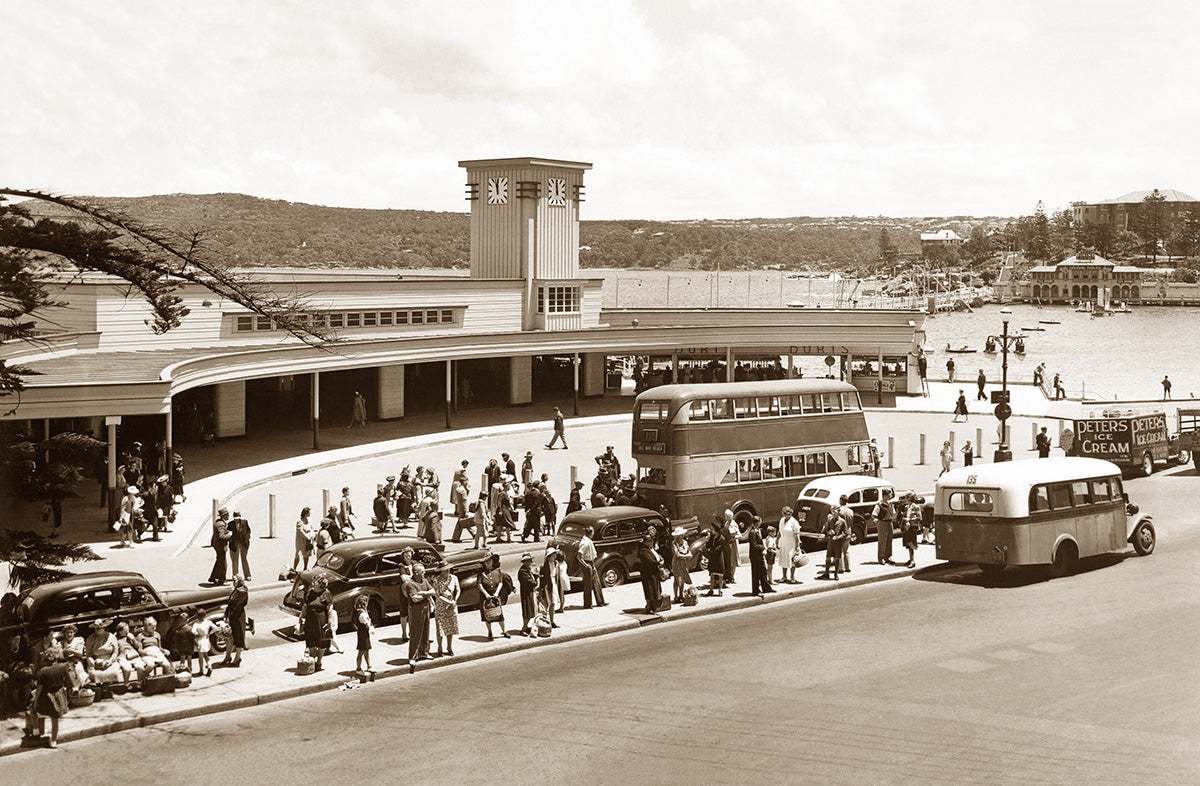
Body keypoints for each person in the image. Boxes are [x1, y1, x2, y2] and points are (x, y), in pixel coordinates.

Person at [29, 644, 76, 748]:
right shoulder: (64, 667)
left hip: (46, 698)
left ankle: (36, 731)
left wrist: (35, 701)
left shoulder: (43, 670)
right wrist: (68, 697)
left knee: (32, 709)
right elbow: (68, 683)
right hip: (59, 696)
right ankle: (53, 741)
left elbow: (40, 688)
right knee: (55, 719)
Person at [403, 564, 435, 672]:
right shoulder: (410, 584)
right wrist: (427, 595)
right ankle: (412, 656)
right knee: (415, 633)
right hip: (416, 610)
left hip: (426, 609)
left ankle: (424, 653)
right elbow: (415, 599)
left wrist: (424, 593)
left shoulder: (424, 581)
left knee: (426, 631)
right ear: (416, 573)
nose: (424, 573)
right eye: (422, 572)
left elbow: (433, 591)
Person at [301, 574, 333, 672]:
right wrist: (301, 619)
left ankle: (319, 662)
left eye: (315, 581)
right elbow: (305, 606)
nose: (312, 582)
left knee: (322, 643)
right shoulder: (309, 593)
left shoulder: (326, 593)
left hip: (321, 620)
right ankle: (312, 662)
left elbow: (330, 609)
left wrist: (329, 622)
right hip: (310, 620)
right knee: (311, 642)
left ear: (320, 584)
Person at [478, 554, 511, 640]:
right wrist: (486, 595)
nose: (487, 562)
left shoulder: (498, 571)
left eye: (489, 560)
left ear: (492, 561)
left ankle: (504, 631)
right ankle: (490, 631)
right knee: (487, 616)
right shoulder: (481, 572)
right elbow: (479, 585)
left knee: (499, 615)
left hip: (495, 596)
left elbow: (500, 583)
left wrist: (497, 593)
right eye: (486, 561)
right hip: (485, 597)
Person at [430, 563, 460, 657]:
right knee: (440, 628)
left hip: (452, 605)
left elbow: (458, 590)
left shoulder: (454, 578)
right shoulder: (437, 580)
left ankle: (449, 647)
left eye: (448, 569)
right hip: (441, 605)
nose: (447, 571)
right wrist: (448, 602)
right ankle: (440, 648)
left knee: (450, 627)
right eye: (445, 569)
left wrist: (454, 600)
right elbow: (437, 595)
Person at [219, 576, 248, 668]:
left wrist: (231, 617)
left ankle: (237, 659)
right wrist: (226, 615)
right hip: (232, 617)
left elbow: (238, 606)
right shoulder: (236, 590)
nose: (233, 582)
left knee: (238, 638)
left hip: (238, 618)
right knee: (230, 638)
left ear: (240, 581)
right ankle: (227, 657)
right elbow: (230, 604)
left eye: (235, 580)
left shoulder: (243, 592)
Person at [577, 526, 606, 608]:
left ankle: (600, 601)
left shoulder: (588, 541)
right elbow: (579, 556)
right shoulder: (585, 543)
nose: (593, 534)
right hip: (587, 563)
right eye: (592, 532)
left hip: (591, 563)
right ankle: (587, 603)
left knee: (596, 582)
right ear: (590, 532)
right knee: (588, 585)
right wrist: (586, 565)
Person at [636, 534, 665, 612]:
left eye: (652, 540)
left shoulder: (651, 549)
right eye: (649, 541)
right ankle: (649, 607)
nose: (651, 542)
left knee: (655, 589)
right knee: (649, 590)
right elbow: (650, 561)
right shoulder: (643, 551)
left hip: (654, 572)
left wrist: (661, 559)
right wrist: (659, 563)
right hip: (648, 574)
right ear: (645, 542)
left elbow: (656, 556)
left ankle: (654, 606)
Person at [747, 517, 773, 596]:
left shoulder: (758, 531)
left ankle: (766, 588)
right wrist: (763, 547)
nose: (760, 523)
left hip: (760, 555)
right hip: (755, 556)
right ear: (756, 523)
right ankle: (756, 590)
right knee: (756, 574)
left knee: (763, 571)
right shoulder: (752, 532)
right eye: (759, 522)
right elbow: (754, 545)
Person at [539, 548, 563, 628]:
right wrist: (541, 590)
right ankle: (544, 621)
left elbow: (557, 575)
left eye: (555, 555)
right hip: (547, 586)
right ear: (549, 557)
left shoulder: (556, 564)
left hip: (554, 585)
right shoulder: (544, 566)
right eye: (553, 555)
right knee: (546, 604)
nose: (555, 556)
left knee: (553, 604)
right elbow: (542, 579)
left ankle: (552, 622)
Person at [207, 508, 231, 586]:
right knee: (223, 563)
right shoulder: (221, 524)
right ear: (224, 515)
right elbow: (221, 536)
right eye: (227, 514)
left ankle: (213, 577)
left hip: (217, 545)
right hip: (220, 546)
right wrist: (230, 536)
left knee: (219, 561)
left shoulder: (219, 522)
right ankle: (222, 580)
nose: (229, 515)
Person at [395, 548, 415, 642]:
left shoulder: (415, 563)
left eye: (409, 556)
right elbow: (404, 578)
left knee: (413, 612)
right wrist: (413, 576)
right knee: (404, 613)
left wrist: (410, 577)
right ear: (403, 556)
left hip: (413, 590)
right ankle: (404, 633)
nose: (408, 557)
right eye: (406, 556)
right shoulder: (401, 565)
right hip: (404, 592)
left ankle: (412, 631)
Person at [778, 507, 802, 584]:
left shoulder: (794, 522)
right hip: (783, 542)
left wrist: (797, 546)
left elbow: (797, 535)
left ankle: (792, 577)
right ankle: (784, 576)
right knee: (783, 559)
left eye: (785, 513)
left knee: (792, 561)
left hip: (791, 544)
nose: (784, 515)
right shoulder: (782, 520)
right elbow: (780, 531)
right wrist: (777, 540)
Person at [704, 519, 727, 596]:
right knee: (712, 574)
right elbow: (708, 546)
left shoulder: (722, 538)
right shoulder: (712, 537)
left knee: (720, 574)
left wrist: (710, 552)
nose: (711, 529)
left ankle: (720, 590)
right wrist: (707, 540)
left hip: (718, 558)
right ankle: (711, 590)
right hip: (713, 557)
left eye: (712, 528)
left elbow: (718, 549)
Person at [517, 553, 539, 636]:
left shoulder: (527, 569)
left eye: (529, 560)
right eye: (527, 561)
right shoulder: (523, 571)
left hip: (530, 592)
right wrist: (536, 581)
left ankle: (525, 627)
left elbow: (532, 577)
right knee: (527, 611)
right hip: (526, 594)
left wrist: (536, 576)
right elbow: (530, 582)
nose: (529, 562)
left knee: (530, 610)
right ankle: (524, 628)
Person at [873, 488, 896, 566]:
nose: (890, 496)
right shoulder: (879, 504)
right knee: (882, 541)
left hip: (889, 523)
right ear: (885, 495)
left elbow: (894, 513)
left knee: (889, 540)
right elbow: (874, 514)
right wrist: (876, 520)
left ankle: (888, 557)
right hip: (882, 523)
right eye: (889, 494)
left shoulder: (890, 504)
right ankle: (881, 558)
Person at [670, 527, 692, 602]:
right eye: (680, 534)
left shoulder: (685, 542)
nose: (681, 535)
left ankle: (681, 595)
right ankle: (676, 596)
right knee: (677, 579)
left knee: (682, 578)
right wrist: (686, 556)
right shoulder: (674, 543)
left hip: (683, 562)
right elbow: (677, 554)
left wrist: (684, 556)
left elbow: (690, 553)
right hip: (676, 562)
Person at [353, 595, 373, 677]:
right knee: (361, 651)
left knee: (366, 650)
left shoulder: (359, 611)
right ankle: (358, 668)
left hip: (362, 633)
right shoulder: (361, 614)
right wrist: (370, 627)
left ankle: (369, 666)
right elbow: (366, 623)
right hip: (363, 634)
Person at [229, 510, 252, 580]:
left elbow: (248, 530)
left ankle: (247, 575)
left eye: (238, 518)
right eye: (235, 518)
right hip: (235, 544)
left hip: (243, 543)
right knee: (235, 560)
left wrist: (247, 537)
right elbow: (228, 532)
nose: (237, 520)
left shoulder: (245, 522)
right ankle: (235, 575)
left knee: (244, 558)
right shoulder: (230, 524)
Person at [901, 495, 923, 568]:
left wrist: (909, 520)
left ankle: (913, 561)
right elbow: (905, 515)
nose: (905, 500)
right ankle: (910, 559)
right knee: (907, 543)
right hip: (907, 526)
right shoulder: (907, 507)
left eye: (906, 498)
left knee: (911, 542)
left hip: (912, 526)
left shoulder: (916, 507)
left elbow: (919, 517)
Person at [293, 507, 317, 572]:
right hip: (301, 541)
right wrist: (307, 536)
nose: (310, 514)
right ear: (305, 514)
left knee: (307, 554)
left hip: (308, 540)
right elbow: (300, 531)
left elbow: (312, 528)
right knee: (298, 554)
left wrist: (311, 534)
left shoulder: (309, 519)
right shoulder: (299, 521)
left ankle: (305, 567)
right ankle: (294, 569)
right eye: (309, 512)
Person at [722, 509, 739, 583]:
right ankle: (729, 576)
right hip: (728, 544)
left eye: (726, 516)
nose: (725, 517)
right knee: (728, 560)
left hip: (733, 544)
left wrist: (732, 538)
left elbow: (739, 535)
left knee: (733, 561)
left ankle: (732, 577)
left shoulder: (733, 524)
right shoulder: (726, 523)